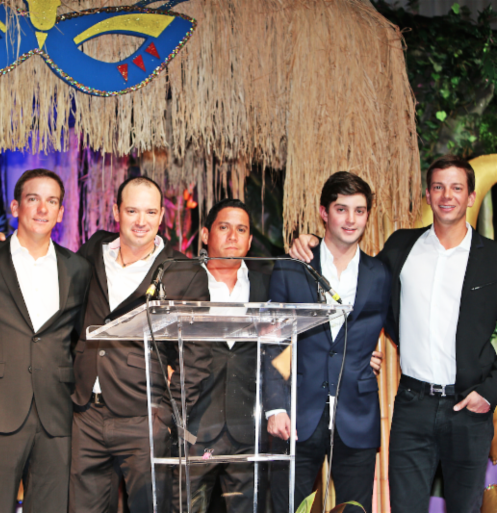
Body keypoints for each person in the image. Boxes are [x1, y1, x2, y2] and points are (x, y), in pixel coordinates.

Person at [291, 156, 497, 512]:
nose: (447, 195)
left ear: (471, 196)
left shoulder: (493, 257)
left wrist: (491, 391)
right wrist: (310, 242)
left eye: (456, 188)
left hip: (470, 409)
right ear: (428, 195)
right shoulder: (401, 247)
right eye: (438, 187)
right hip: (412, 406)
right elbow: (362, 283)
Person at [70, 177, 209, 513]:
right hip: (85, 412)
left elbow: (198, 358)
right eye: (132, 210)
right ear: (117, 211)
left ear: (162, 216)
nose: (141, 221)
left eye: (150, 212)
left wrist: (166, 413)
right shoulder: (91, 251)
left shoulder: (184, 272)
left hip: (144, 416)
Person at [0, 169, 92, 513]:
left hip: (57, 411)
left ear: (61, 212)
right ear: (15, 206)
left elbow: (77, 338)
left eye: (52, 201)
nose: (42, 209)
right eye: (33, 199)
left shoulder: (78, 268)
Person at [266, 172, 389, 513]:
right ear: (324, 212)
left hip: (357, 415)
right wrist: (275, 406)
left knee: (355, 509)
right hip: (297, 415)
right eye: (341, 209)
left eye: (360, 211)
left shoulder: (381, 274)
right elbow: (272, 341)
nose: (351, 220)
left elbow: (394, 326)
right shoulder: (293, 268)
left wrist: (369, 357)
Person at [169, 199, 269, 513]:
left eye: (241, 230)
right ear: (205, 234)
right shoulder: (180, 281)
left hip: (247, 426)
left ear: (250, 240)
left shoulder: (266, 283)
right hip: (194, 425)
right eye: (224, 227)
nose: (232, 237)